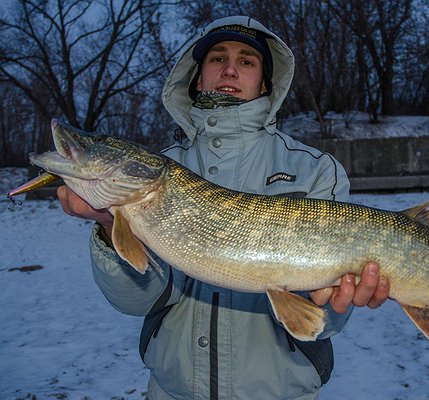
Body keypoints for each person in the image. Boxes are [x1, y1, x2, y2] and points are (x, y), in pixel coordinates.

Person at [57, 16, 389, 399]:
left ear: (265, 83)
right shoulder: (162, 170)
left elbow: (323, 322)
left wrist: (334, 303)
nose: (230, 68)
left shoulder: (315, 170)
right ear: (197, 79)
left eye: (247, 61)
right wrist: (106, 225)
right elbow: (137, 301)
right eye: (217, 59)